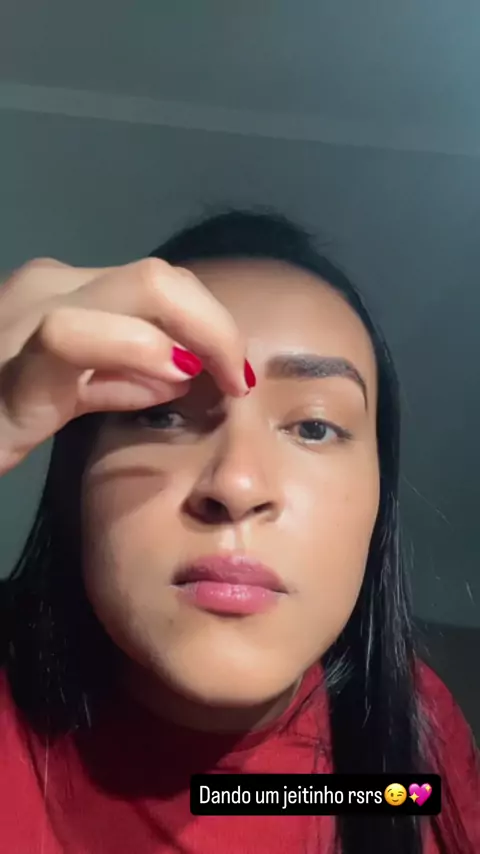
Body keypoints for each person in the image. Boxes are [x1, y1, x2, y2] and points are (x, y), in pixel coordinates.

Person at [0, 210, 478, 854]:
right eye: (162, 415)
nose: (237, 484)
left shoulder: (413, 720)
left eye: (313, 427)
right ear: (75, 474)